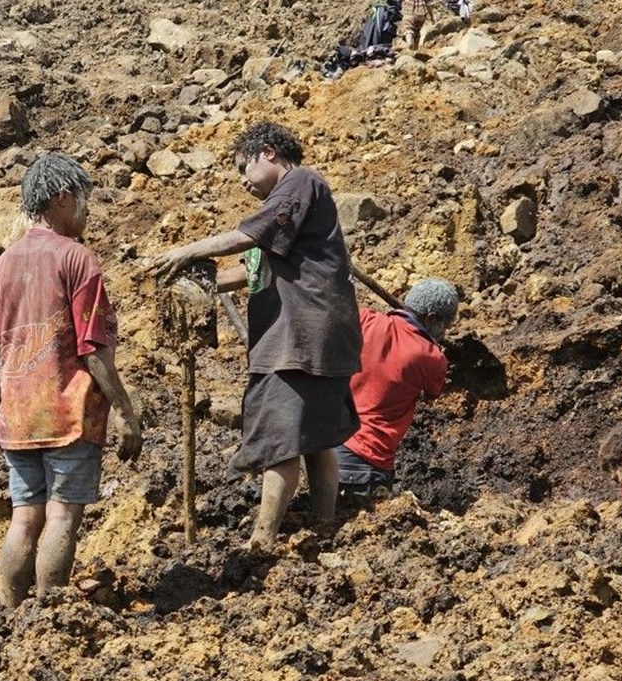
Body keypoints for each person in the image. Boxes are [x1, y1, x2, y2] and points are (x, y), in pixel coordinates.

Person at [147, 122, 361, 550]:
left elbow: (249, 235)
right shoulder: (294, 210)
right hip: (317, 336)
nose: (243, 181)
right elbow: (250, 272)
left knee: (282, 441)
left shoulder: (300, 181)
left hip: (300, 338)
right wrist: (196, 281)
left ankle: (261, 542)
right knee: (316, 439)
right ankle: (323, 525)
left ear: (268, 153)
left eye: (245, 168)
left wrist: (189, 250)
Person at [0, 153, 142, 608]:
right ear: (61, 198)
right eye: (83, 199)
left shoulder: (4, 264)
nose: (87, 210)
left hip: (16, 414)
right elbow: (93, 348)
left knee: (23, 518)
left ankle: (12, 612)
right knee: (61, 515)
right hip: (65, 412)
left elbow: (0, 351)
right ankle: (50, 613)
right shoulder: (77, 259)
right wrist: (127, 414)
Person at [337, 279, 458, 501]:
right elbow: (433, 393)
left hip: (325, 448)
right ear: (432, 319)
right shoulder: (430, 357)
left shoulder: (365, 318)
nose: (445, 332)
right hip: (366, 463)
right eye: (445, 325)